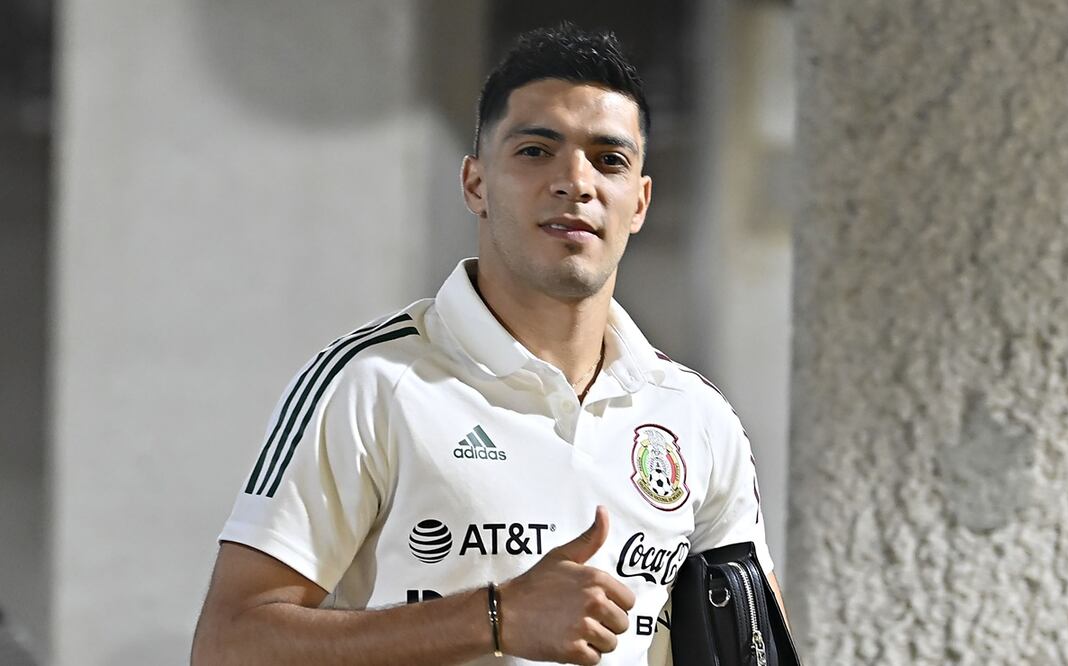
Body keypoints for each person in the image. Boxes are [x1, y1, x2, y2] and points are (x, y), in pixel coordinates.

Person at [191, 23, 784, 666]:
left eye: (608, 160)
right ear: (476, 183)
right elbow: (229, 643)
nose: (576, 183)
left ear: (638, 202)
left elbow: (753, 645)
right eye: (536, 151)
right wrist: (495, 618)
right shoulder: (371, 383)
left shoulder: (698, 419)